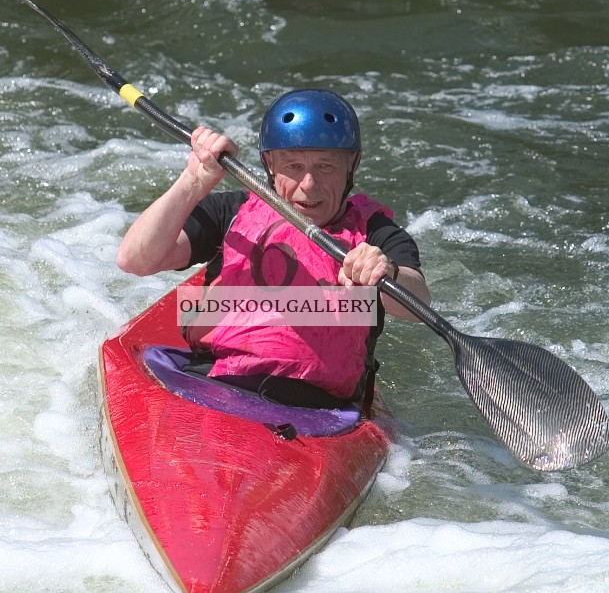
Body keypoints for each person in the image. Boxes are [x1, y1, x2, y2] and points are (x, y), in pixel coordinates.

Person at [117, 89, 431, 409]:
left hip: (318, 409)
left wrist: (385, 272)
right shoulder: (230, 212)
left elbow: (418, 303)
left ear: (353, 163)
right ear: (269, 163)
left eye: (325, 167)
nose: (308, 184)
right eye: (293, 166)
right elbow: (134, 261)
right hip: (209, 382)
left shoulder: (375, 233)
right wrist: (192, 183)